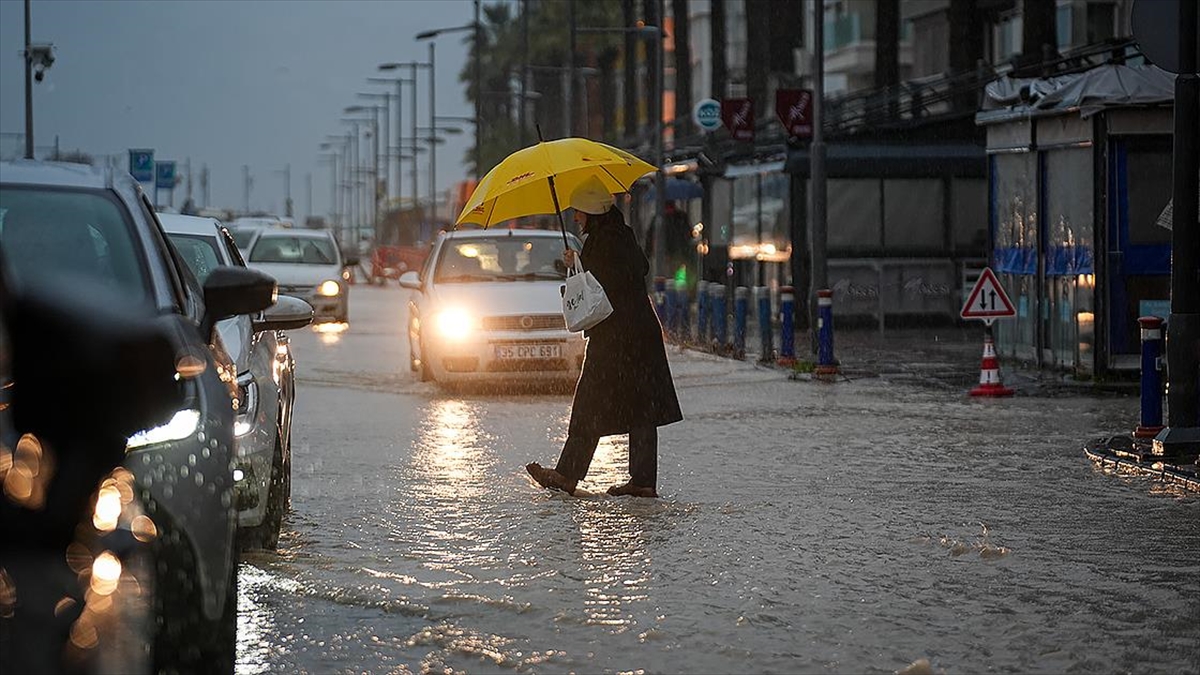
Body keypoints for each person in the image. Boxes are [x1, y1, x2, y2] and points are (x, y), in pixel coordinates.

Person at [526, 176, 683, 498]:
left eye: (578, 211)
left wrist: (579, 262)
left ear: (590, 211)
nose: (575, 217)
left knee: (590, 403)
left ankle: (567, 475)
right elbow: (634, 269)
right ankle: (642, 482)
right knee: (641, 407)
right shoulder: (620, 234)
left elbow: (605, 283)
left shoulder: (605, 240)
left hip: (617, 337)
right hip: (637, 335)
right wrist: (580, 261)